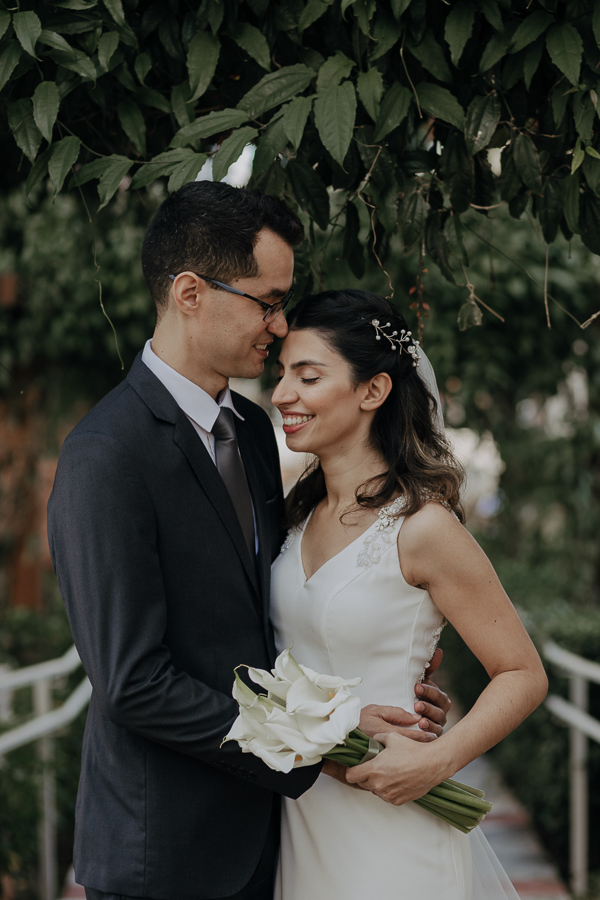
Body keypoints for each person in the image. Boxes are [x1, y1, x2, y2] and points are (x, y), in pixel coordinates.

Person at [47, 182, 451, 900]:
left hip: (272, 843)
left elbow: (263, 614)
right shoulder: (107, 454)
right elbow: (133, 683)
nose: (280, 322)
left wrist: (383, 658)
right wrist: (319, 742)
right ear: (190, 293)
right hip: (166, 855)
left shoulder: (254, 432)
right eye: (265, 300)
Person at [270, 288, 548, 900]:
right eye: (282, 373)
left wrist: (437, 761)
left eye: (307, 375)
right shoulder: (289, 517)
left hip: (395, 817)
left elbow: (522, 673)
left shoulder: (423, 528)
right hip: (302, 807)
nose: (282, 394)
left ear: (373, 391)